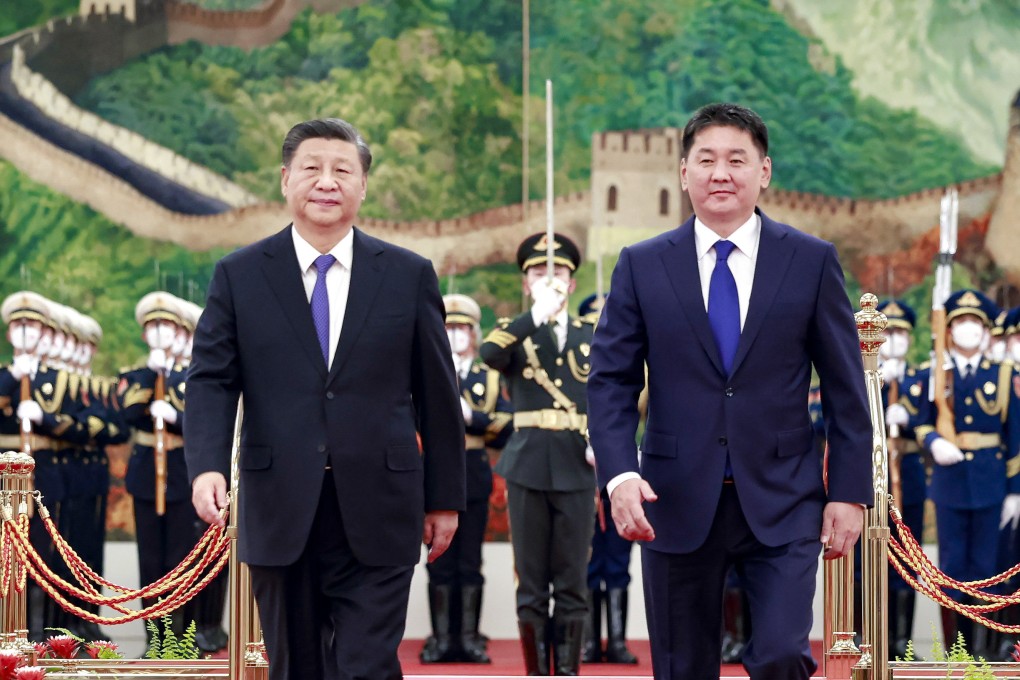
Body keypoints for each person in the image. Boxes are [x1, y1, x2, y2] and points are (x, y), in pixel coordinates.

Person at [586, 102, 873, 680]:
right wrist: (618, 476)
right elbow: (612, 381)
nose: (721, 173)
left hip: (784, 496)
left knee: (781, 654)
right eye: (706, 160)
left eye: (737, 160)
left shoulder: (810, 261)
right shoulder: (642, 265)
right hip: (672, 498)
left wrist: (849, 492)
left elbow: (846, 389)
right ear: (683, 172)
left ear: (763, 171)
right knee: (682, 666)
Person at [185, 117, 465, 680]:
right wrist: (206, 466)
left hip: (380, 506)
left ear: (363, 185)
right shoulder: (240, 275)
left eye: (343, 170)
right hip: (280, 504)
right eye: (311, 168)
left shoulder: (407, 275)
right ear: (285, 179)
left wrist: (444, 498)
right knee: (296, 667)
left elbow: (438, 396)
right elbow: (211, 380)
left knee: (367, 666)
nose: (326, 181)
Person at [479, 232, 596, 676]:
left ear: (572, 282)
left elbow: (611, 394)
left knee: (572, 581)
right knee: (530, 583)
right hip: (528, 464)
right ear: (526, 283)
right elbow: (490, 353)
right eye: (539, 273)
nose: (550, 279)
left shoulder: (592, 334)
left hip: (578, 463)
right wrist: (536, 314)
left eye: (559, 272)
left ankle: (566, 672)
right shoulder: (515, 331)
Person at [914, 289, 1020, 656]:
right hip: (950, 485)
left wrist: (1015, 491)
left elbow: (1015, 436)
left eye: (975, 322)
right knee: (952, 571)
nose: (968, 328)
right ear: (949, 330)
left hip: (991, 484)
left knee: (987, 570)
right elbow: (921, 422)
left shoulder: (1003, 375)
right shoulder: (935, 374)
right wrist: (933, 442)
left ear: (986, 331)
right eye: (961, 322)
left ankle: (982, 654)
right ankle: (955, 653)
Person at [419, 293, 512, 664]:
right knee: (438, 560)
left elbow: (506, 424)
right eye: (449, 327)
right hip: (434, 469)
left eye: (462, 327)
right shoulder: (428, 370)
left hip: (472, 469)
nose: (456, 334)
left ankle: (469, 637)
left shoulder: (488, 376)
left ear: (474, 332)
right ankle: (442, 638)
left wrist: (473, 417)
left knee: (469, 560)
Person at [117, 292, 194, 648]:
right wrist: (152, 373)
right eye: (153, 326)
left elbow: (203, 422)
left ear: (178, 332)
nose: (160, 332)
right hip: (147, 474)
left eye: (166, 325)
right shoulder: (137, 376)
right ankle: (155, 638)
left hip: (181, 472)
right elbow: (129, 414)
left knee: (180, 558)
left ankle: (179, 637)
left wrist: (175, 417)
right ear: (145, 335)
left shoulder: (192, 377)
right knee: (149, 561)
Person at [576, 293, 639, 666]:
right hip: (580, 475)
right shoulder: (570, 363)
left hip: (620, 474)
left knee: (617, 560)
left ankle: (616, 640)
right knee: (586, 561)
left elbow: (640, 408)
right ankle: (588, 641)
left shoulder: (631, 361)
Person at [874, 299, 927, 658]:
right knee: (869, 559)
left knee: (908, 558)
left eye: (900, 332)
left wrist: (907, 414)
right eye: (887, 332)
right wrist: (880, 387)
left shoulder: (922, 378)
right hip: (873, 473)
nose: (894, 339)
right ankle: (871, 640)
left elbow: (936, 417)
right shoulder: (864, 375)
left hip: (907, 470)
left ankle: (902, 643)